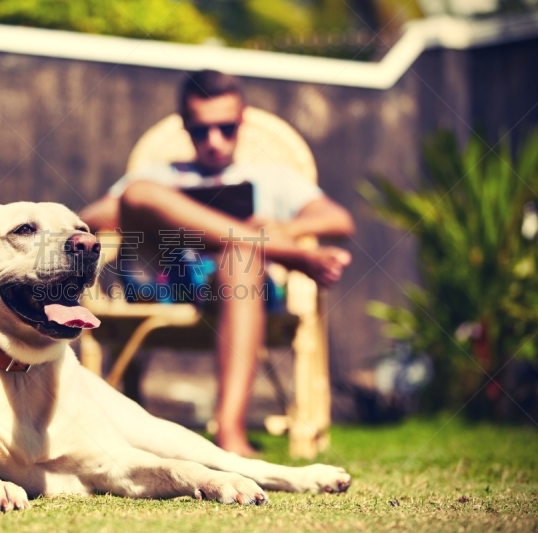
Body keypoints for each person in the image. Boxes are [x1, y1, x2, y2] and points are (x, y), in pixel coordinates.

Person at [80, 70, 355, 457]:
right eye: (201, 131)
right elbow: (91, 217)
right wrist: (168, 212)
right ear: (186, 128)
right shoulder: (160, 176)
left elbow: (338, 220)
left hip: (246, 288)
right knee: (141, 193)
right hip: (167, 283)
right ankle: (289, 256)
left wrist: (283, 226)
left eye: (226, 129)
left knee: (241, 255)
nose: (214, 142)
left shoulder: (271, 178)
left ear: (241, 121)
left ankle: (229, 432)